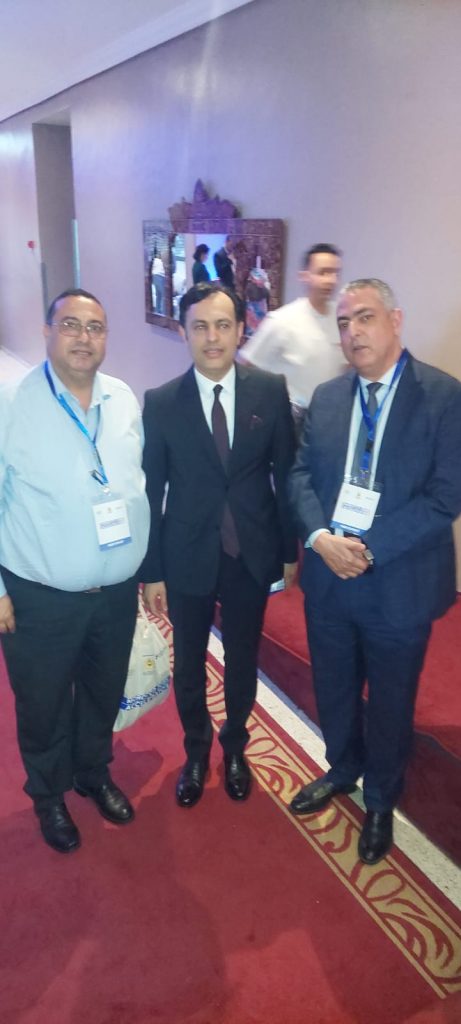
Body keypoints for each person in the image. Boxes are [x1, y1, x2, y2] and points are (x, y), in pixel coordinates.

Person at [288, 278, 461, 865]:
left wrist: (367, 548)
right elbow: (300, 476)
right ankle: (342, 768)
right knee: (334, 685)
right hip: (329, 577)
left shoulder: (443, 396)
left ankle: (382, 799)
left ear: (395, 320)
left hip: (399, 582)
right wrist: (320, 539)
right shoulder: (329, 397)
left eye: (364, 317)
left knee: (391, 699)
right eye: (343, 323)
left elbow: (446, 497)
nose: (353, 332)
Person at [0, 288, 150, 854]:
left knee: (101, 690)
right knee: (42, 702)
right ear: (47, 331)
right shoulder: (11, 404)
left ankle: (92, 771)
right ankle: (48, 794)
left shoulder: (123, 399)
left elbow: (135, 485)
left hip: (114, 590)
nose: (84, 338)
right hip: (39, 595)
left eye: (95, 327)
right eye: (70, 325)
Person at [142, 281, 297, 808]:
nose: (213, 338)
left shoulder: (269, 390)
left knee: (242, 657)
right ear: (184, 332)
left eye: (223, 325)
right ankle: (195, 750)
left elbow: (285, 474)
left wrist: (289, 552)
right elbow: (151, 491)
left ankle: (235, 748)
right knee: (188, 664)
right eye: (201, 327)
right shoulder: (162, 403)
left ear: (240, 329)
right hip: (186, 553)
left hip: (250, 551)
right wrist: (152, 570)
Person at [241, 243, 344, 436]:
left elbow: (346, 368)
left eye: (335, 273)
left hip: (330, 418)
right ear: (304, 276)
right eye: (323, 272)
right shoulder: (282, 321)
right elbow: (246, 368)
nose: (331, 280)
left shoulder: (342, 319)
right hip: (293, 421)